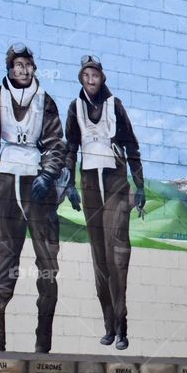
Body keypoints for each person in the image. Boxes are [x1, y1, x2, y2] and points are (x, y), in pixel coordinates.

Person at [0, 43, 65, 353]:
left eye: (27, 65)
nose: (22, 70)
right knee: (4, 262)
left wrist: (48, 174)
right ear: (9, 69)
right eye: (17, 65)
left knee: (47, 264)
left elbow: (55, 144)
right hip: (6, 181)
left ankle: (43, 345)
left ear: (34, 68)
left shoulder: (45, 101)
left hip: (37, 184)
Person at [64, 55, 145, 351]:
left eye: (94, 74)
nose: (90, 79)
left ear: (102, 77)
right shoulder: (75, 108)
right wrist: (68, 181)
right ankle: (108, 326)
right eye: (85, 74)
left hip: (115, 185)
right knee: (99, 261)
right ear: (81, 78)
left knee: (117, 258)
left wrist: (140, 183)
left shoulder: (115, 105)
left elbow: (132, 145)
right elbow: (70, 147)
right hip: (89, 187)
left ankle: (122, 326)